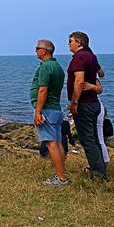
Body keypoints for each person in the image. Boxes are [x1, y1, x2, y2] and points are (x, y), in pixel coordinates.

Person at [67, 31, 108, 180]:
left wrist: (74, 103)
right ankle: (100, 168)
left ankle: (98, 174)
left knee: (87, 139)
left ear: (79, 42)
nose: (68, 44)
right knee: (94, 139)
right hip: (94, 103)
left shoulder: (79, 58)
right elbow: (101, 73)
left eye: (71, 41)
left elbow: (79, 81)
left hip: (84, 103)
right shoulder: (91, 56)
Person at [31, 39, 68, 185]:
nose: (35, 51)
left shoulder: (46, 67)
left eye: (37, 48)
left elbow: (43, 89)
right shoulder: (57, 66)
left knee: (51, 144)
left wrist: (38, 112)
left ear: (44, 50)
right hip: (55, 109)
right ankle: (61, 176)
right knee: (57, 143)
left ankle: (61, 179)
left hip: (47, 110)